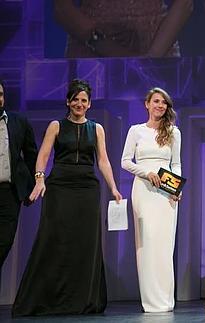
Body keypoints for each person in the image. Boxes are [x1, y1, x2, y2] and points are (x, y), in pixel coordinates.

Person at [12, 79, 123, 316]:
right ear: (68, 101)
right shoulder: (56, 126)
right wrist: (40, 178)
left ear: (89, 104)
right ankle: (47, 300)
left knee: (85, 243)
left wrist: (113, 187)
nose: (79, 104)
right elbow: (43, 154)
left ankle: (82, 300)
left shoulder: (97, 128)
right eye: (75, 99)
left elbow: (102, 160)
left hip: (87, 189)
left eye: (84, 100)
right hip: (60, 186)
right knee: (55, 240)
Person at [121, 87, 181, 312]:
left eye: (164, 103)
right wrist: (146, 173)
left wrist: (177, 187)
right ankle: (151, 302)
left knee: (165, 246)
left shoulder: (173, 132)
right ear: (147, 104)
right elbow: (125, 161)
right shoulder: (136, 131)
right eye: (156, 101)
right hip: (144, 190)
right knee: (147, 244)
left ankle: (166, 301)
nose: (160, 106)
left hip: (166, 191)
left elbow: (175, 163)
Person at [53, 0, 194, 57]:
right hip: (91, 50)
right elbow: (62, 8)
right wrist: (102, 43)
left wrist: (151, 58)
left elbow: (184, 3)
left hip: (158, 46)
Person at [0, 80, 38, 293]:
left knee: (4, 243)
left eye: (1, 94)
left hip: (8, 194)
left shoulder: (18, 122)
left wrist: (31, 186)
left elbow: (32, 155)